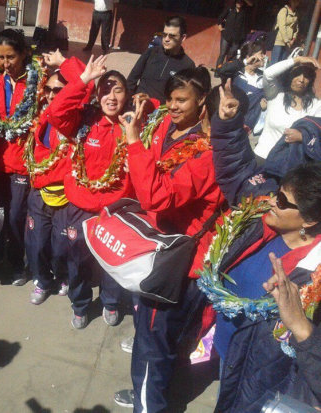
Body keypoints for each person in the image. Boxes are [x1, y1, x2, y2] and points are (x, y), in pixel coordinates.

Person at [115, 67, 226, 412]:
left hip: (179, 263)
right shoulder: (169, 125)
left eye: (182, 100)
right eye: (171, 99)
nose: (173, 106)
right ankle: (155, 391)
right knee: (162, 338)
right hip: (162, 249)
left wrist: (133, 141)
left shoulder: (207, 152)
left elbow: (156, 196)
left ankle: (149, 404)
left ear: (202, 101)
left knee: (152, 343)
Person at [208, 88, 321, 411]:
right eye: (277, 193)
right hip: (228, 343)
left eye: (284, 201)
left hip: (261, 373)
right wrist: (228, 125)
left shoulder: (314, 274)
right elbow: (240, 171)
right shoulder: (262, 217)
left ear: (310, 219)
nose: (273, 200)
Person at [45, 55, 132, 329]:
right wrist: (83, 78)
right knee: (78, 262)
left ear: (127, 94)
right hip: (80, 208)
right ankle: (80, 304)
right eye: (105, 89)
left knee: (111, 263)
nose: (111, 96)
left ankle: (110, 302)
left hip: (115, 210)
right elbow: (55, 112)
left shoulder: (133, 125)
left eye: (118, 89)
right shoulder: (83, 121)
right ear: (96, 94)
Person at [24, 50, 92, 305]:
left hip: (64, 195)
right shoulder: (40, 116)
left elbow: (87, 84)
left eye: (59, 90)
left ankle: (61, 275)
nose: (53, 95)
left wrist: (65, 63)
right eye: (50, 90)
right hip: (39, 190)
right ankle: (42, 280)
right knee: (37, 243)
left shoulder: (72, 118)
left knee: (61, 246)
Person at [0, 29, 37, 286]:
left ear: (24, 53)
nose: (5, 64)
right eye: (1, 57)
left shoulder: (37, 81)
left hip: (21, 163)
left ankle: (17, 263)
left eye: (11, 57)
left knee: (16, 217)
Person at [254, 55, 321, 160]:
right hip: (262, 157)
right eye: (297, 74)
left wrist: (303, 137)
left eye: (306, 76)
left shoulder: (316, 105)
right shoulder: (276, 94)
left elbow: (318, 134)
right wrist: (297, 60)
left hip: (289, 165)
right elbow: (268, 74)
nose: (301, 80)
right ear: (289, 76)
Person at [126, 16, 195, 104]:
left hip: (162, 113)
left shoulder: (187, 65)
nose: (166, 39)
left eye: (172, 36)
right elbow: (131, 80)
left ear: (183, 37)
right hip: (137, 105)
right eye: (164, 35)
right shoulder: (151, 52)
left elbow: (183, 97)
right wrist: (128, 102)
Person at [218, 40, 267, 133]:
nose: (264, 56)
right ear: (250, 56)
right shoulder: (236, 73)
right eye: (261, 53)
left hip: (246, 126)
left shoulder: (263, 77)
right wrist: (245, 62)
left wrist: (262, 106)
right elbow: (221, 71)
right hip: (228, 118)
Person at [215, 0, 252, 71]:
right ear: (235, 2)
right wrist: (220, 26)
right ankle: (218, 71)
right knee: (222, 54)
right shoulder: (230, 9)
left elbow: (252, 5)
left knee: (231, 55)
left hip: (237, 38)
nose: (239, 3)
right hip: (226, 35)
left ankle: (226, 70)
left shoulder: (245, 12)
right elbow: (220, 17)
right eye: (238, 2)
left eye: (241, 2)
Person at [271, 0, 301, 65]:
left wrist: (293, 39)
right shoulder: (284, 10)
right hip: (280, 41)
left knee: (282, 64)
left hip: (289, 43)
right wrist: (286, 40)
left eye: (298, 1)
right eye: (295, 1)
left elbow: (296, 28)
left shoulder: (296, 13)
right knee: (274, 63)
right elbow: (282, 27)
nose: (296, 3)